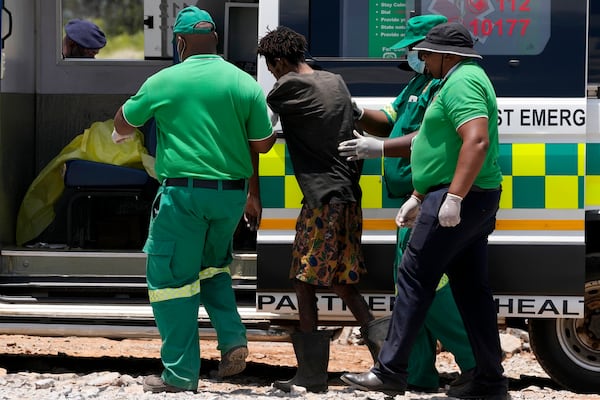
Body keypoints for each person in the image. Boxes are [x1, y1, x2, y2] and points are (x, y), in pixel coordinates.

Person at [112, 6, 276, 393]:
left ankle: (180, 376)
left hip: (184, 196)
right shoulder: (245, 83)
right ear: (216, 40)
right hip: (230, 197)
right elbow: (264, 144)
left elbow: (124, 123)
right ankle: (233, 338)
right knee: (213, 267)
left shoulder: (163, 80)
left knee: (172, 281)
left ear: (181, 42)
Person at [340, 22, 507, 400]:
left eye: (427, 52)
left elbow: (476, 140)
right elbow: (434, 141)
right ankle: (489, 381)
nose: (421, 58)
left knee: (414, 278)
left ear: (448, 55)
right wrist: (418, 194)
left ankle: (390, 371)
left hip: (459, 195)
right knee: (471, 291)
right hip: (456, 194)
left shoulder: (462, 81)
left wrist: (454, 198)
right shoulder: (450, 82)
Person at [256, 26, 377, 393]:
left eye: (271, 67)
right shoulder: (335, 80)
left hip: (323, 199)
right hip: (348, 196)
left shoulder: (286, 88)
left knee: (303, 277)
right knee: (341, 280)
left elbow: (261, 139)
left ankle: (311, 374)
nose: (272, 73)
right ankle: (389, 361)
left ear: (278, 62)